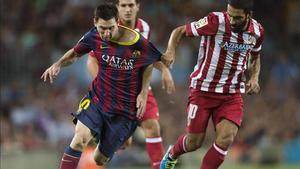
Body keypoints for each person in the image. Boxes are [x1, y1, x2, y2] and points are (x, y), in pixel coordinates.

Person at [41, 4, 163, 169]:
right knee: (79, 140)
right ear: (95, 22)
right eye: (102, 28)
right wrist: (58, 64)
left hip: (124, 111)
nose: (106, 33)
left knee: (99, 159)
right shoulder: (93, 36)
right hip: (98, 100)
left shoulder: (137, 41)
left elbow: (150, 62)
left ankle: (104, 135)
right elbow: (75, 53)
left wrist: (143, 92)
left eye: (110, 28)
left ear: (117, 22)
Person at [160, 0, 265, 168]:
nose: (231, 20)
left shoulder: (257, 31)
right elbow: (178, 31)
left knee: (226, 138)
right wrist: (170, 51)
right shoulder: (215, 21)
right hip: (203, 90)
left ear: (248, 15)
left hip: (231, 94)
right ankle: (172, 154)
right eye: (230, 15)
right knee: (194, 142)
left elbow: (255, 57)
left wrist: (254, 78)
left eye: (237, 18)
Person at [87, 0, 175, 169]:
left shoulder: (144, 27)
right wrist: (104, 85)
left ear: (138, 7)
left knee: (152, 127)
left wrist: (164, 70)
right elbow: (91, 60)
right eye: (124, 5)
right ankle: (104, 140)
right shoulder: (107, 28)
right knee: (124, 143)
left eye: (131, 5)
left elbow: (146, 57)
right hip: (116, 93)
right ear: (117, 8)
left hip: (140, 88)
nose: (127, 9)